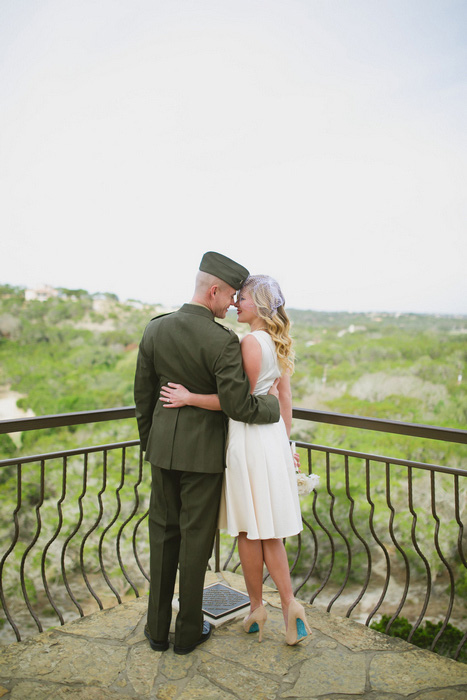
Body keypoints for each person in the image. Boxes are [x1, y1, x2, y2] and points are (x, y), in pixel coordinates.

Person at [134, 253, 281, 656]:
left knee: (162, 537)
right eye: (230, 295)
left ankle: (157, 631)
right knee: (195, 542)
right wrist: (272, 408)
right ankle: (187, 634)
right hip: (203, 457)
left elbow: (143, 398)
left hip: (162, 451)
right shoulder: (222, 341)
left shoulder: (155, 329)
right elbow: (239, 405)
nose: (232, 303)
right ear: (213, 290)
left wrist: (152, 444)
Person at [160, 274, 312, 646]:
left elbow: (236, 404)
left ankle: (257, 607)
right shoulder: (276, 342)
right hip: (273, 439)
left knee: (248, 528)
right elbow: (284, 398)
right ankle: (290, 605)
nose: (235, 303)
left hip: (248, 440)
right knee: (270, 531)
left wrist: (189, 397)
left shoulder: (248, 343)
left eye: (241, 298)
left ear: (258, 305)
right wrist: (287, 446)